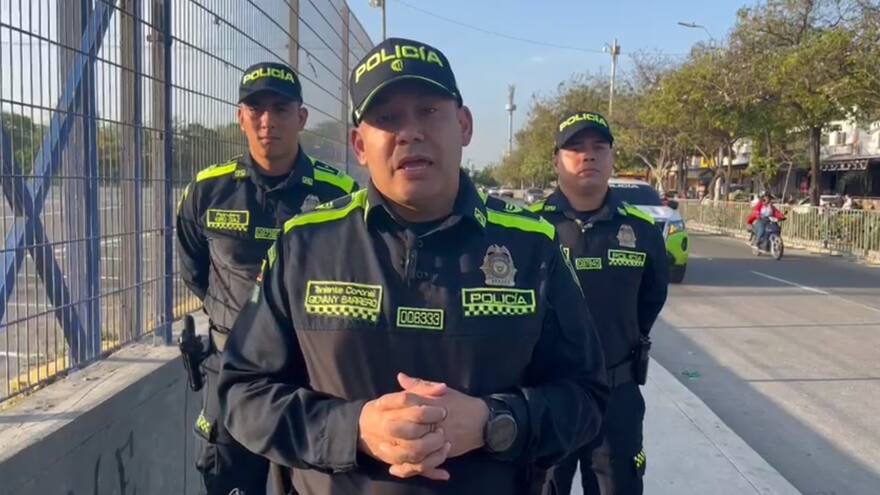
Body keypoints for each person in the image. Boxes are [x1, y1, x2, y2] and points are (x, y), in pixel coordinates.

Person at [217, 38, 609, 495]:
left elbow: (587, 395)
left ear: (463, 125)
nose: (410, 132)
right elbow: (242, 393)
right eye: (387, 119)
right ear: (360, 145)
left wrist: (495, 422)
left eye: (428, 111)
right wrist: (354, 429)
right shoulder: (304, 245)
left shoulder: (532, 246)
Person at [176, 61, 358, 495]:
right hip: (231, 371)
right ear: (240, 117)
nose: (267, 121)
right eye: (255, 108)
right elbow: (195, 271)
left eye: (280, 108)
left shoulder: (341, 195)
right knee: (228, 482)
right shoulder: (207, 190)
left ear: (301, 118)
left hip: (313, 379)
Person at [530, 111, 668, 495]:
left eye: (598, 148)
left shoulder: (640, 231)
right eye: (575, 148)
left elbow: (650, 302)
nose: (587, 156)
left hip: (616, 397)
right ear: (557, 159)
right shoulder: (530, 230)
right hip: (546, 396)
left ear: (611, 159)